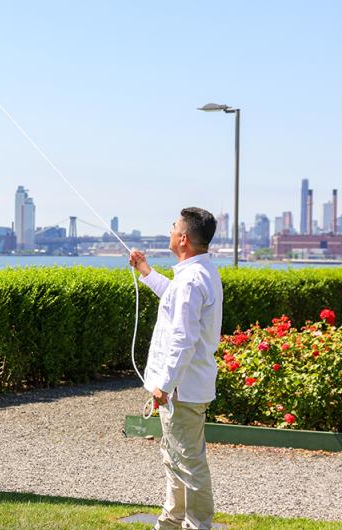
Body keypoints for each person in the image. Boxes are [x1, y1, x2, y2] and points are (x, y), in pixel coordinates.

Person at [129, 207, 222, 530]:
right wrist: (145, 270)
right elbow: (173, 298)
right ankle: (171, 521)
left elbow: (183, 338)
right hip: (186, 387)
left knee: (188, 463)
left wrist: (164, 385)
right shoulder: (198, 273)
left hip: (181, 389)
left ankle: (195, 525)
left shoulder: (192, 279)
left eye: (173, 227)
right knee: (176, 458)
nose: (169, 231)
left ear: (183, 239)